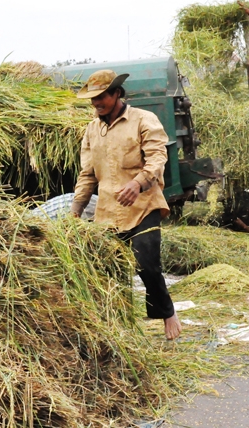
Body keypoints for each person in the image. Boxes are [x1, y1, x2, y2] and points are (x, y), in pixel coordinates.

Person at [69, 69, 183, 341]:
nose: (97, 103)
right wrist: (74, 211)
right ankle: (118, 324)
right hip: (108, 212)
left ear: (117, 93)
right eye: (93, 99)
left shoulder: (144, 120)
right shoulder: (92, 129)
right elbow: (87, 175)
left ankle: (167, 314)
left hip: (143, 205)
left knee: (146, 263)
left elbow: (157, 157)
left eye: (102, 97)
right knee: (109, 268)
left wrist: (139, 182)